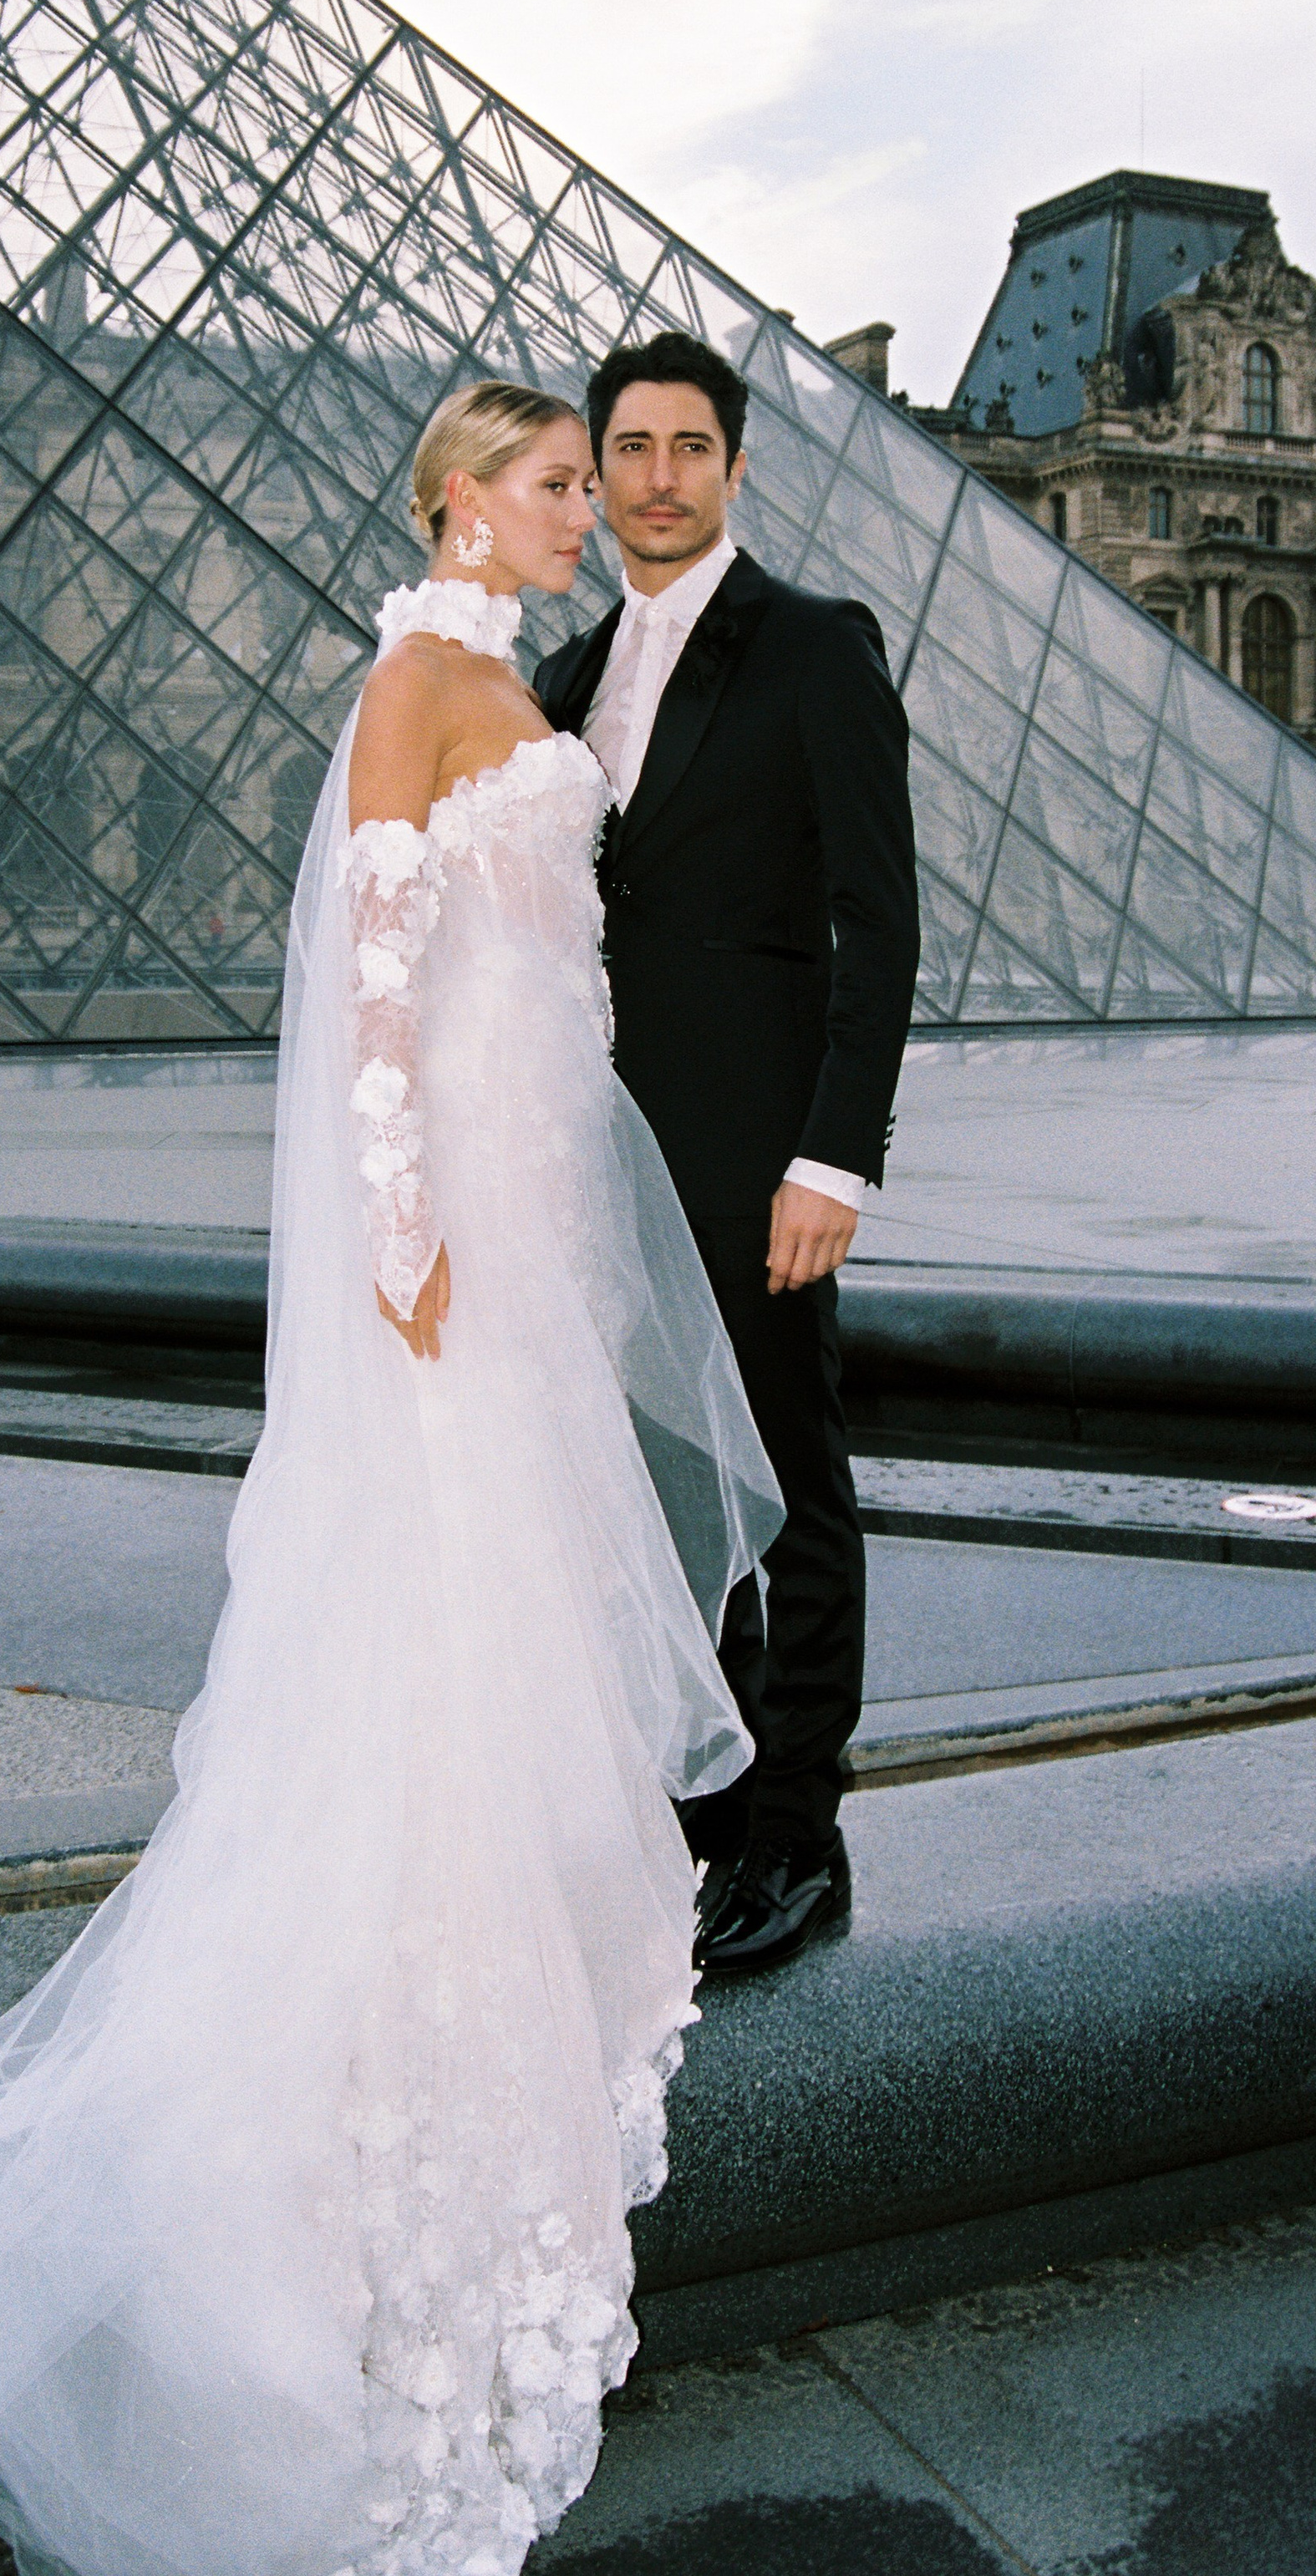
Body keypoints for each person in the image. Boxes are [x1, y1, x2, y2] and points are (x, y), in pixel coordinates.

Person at [0, 381, 781, 2576]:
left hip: (533, 1183)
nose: (590, 509)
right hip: (458, 1209)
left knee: (518, 1583)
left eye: (599, 479)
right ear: (462, 499)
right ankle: (417, 1996)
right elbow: (373, 986)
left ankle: (506, 1916)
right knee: (452, 1593)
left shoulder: (496, 672)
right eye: (559, 482)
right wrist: (403, 1235)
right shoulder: (416, 677)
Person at [536, 333, 919, 1979]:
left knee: (789, 1483)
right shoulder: (559, 679)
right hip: (595, 1164)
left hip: (759, 1157)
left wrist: (833, 1157)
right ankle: (704, 1801)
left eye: (691, 445)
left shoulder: (812, 647)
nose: (659, 474)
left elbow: (875, 920)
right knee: (663, 1492)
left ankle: (796, 1837)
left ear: (733, 466)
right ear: (601, 468)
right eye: (630, 446)